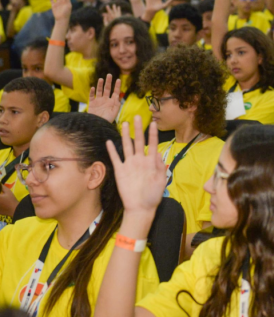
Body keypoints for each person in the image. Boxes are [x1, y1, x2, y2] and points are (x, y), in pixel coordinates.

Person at [93, 120, 274, 316]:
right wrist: (137, 216)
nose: (208, 187)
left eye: (221, 177)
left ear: (265, 194)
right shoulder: (211, 257)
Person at [0, 113, 159, 316]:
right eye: (30, 166)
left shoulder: (126, 259)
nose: (31, 179)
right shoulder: (14, 236)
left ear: (94, 175)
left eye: (49, 166)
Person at [91, 45, 227, 255]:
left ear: (191, 102)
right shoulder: (149, 151)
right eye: (151, 99)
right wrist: (99, 125)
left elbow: (211, 240)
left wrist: (150, 247)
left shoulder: (220, 156)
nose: (151, 108)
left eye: (159, 100)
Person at [45, 0, 154, 138]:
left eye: (129, 42)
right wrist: (61, 21)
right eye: (114, 44)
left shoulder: (156, 81)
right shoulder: (99, 79)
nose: (122, 50)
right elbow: (52, 71)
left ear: (142, 43)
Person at [0, 77, 53, 229]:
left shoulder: (51, 168)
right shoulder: (1, 155)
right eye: (1, 111)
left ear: (41, 119)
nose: (3, 119)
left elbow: (54, 229)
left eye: (14, 112)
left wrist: (14, 210)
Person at [8, 39, 70, 112]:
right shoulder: (9, 93)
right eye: (25, 69)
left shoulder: (59, 98)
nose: (29, 75)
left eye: (37, 69)